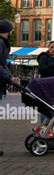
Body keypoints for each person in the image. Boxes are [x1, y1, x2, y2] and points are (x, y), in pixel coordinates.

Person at [0, 20, 20, 157]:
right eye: (11, 30)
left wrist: (10, 76)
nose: (12, 32)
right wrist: (9, 77)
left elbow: (3, 63)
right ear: (7, 30)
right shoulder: (0, 42)